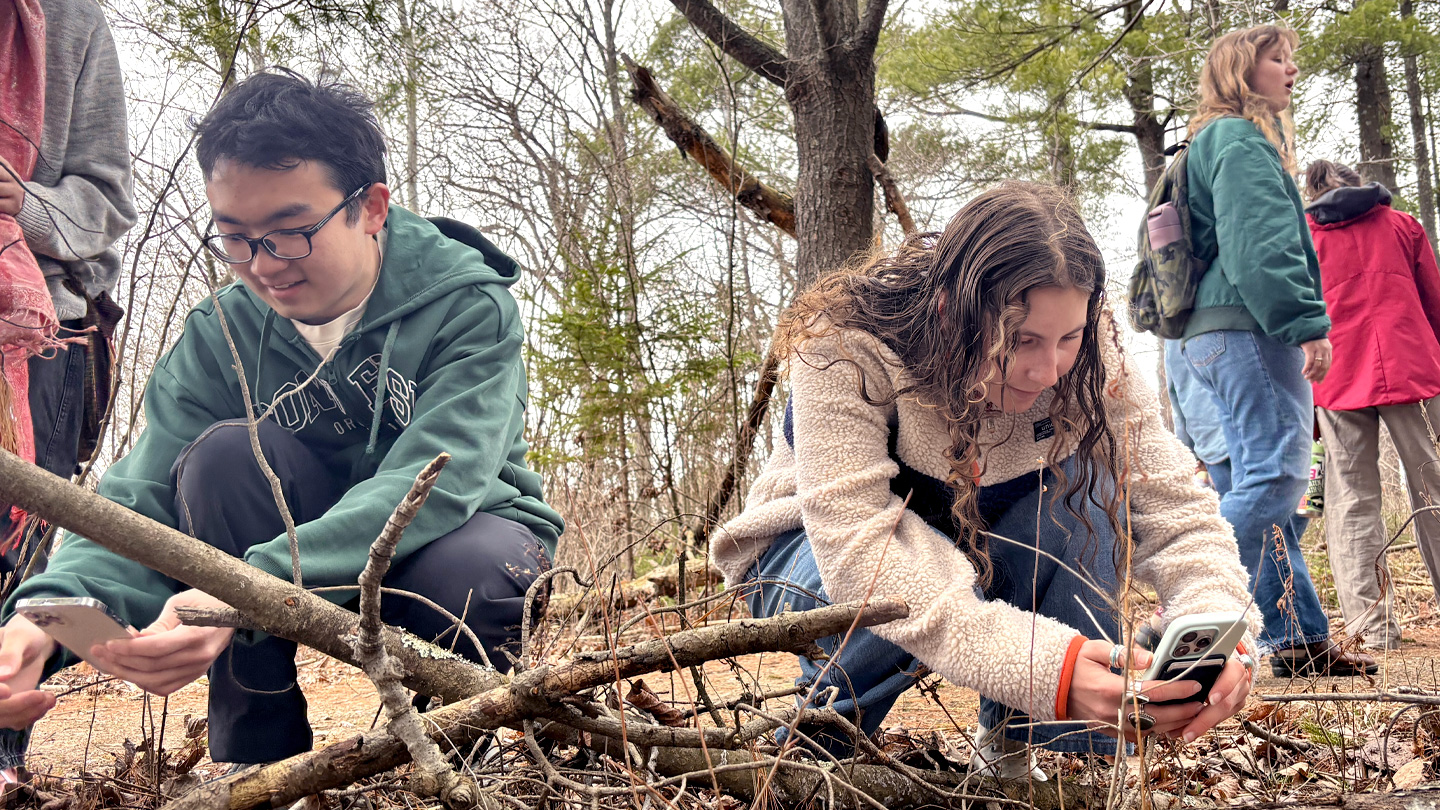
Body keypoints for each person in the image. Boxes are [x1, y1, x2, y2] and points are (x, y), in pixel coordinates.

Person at [0, 72, 564, 771]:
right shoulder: (222, 334)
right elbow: (139, 498)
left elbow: (438, 483)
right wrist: (46, 621)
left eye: (292, 233)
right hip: (277, 566)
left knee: (473, 567)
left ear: (373, 208)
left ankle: (449, 756)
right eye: (236, 238)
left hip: (453, 539)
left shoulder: (467, 304)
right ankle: (258, 758)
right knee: (218, 462)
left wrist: (239, 590)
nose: (263, 266)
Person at [712, 182, 1261, 779]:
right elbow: (858, 547)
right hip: (810, 556)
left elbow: (1172, 503)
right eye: (1021, 340)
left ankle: (1037, 749)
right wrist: (1043, 668)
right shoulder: (843, 346)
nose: (1046, 370)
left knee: (1090, 491)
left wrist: (1222, 622)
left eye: (1067, 338)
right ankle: (828, 734)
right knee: (892, 572)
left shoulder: (1099, 352)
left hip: (978, 542)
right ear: (951, 308)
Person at [1176, 25, 1375, 677]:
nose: (1292, 69)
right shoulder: (1239, 138)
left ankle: (1293, 638)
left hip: (1211, 335)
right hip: (1248, 327)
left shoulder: (1211, 141)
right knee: (1280, 475)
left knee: (1251, 483)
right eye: (1277, 58)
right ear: (1240, 69)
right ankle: (1186, 609)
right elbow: (1258, 243)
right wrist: (1304, 322)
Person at [0, 0, 136, 572]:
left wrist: (25, 204)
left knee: (13, 557)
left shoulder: (72, 21)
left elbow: (109, 200)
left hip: (40, 337)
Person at [1303, 159, 1440, 650]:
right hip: (1412, 368)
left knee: (1351, 500)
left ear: (1312, 191)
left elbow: (1297, 317)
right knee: (1433, 487)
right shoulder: (1402, 224)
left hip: (1336, 379)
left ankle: (1371, 628)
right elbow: (1434, 301)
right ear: (1359, 184)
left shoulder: (1304, 238)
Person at [1164, 339, 1231, 494]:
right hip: (1251, 428)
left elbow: (1176, 396)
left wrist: (1189, 453)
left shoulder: (1171, 335)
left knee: (1235, 506)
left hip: (1210, 440)